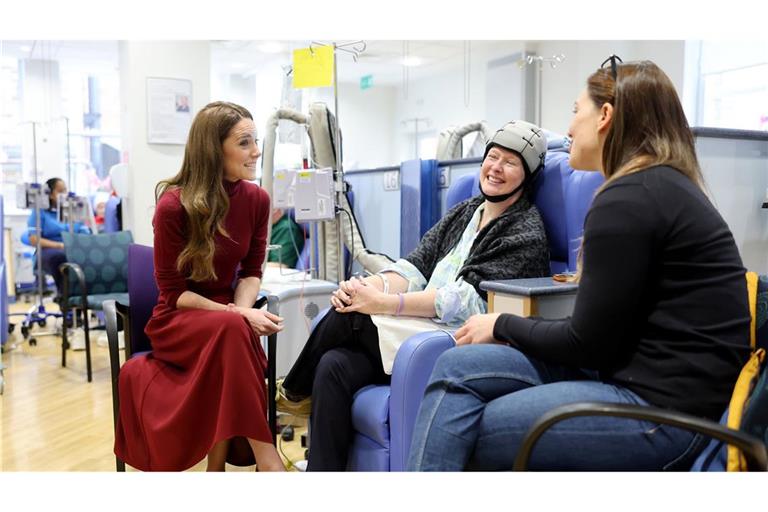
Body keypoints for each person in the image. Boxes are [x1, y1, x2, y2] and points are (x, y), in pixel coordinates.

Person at [407, 58, 752, 471]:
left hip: (665, 416)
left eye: (575, 111)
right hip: (635, 379)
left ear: (605, 116)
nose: (568, 129)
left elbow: (586, 343)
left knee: (471, 427)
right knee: (455, 365)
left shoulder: (630, 197)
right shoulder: (657, 186)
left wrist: (500, 325)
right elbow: (600, 336)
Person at [278, 120, 552, 470]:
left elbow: (466, 299)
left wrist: (383, 304)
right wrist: (370, 287)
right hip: (416, 327)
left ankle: (292, 392)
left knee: (355, 317)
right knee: (333, 366)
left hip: (456, 337)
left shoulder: (525, 229)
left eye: (511, 162)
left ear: (528, 174)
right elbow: (414, 267)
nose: (496, 168)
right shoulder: (465, 213)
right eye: (492, 157)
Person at [114, 101, 286, 471]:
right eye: (244, 142)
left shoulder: (257, 200)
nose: (256, 151)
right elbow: (174, 294)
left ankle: (217, 468)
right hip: (178, 319)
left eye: (256, 140)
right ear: (213, 148)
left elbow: (252, 270)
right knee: (234, 330)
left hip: (226, 321)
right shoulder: (174, 206)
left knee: (231, 333)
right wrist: (239, 313)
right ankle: (266, 458)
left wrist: (237, 311)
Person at [24, 177, 91, 301]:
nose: (64, 194)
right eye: (60, 191)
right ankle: (66, 299)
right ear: (49, 194)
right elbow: (34, 239)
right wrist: (60, 245)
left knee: (88, 257)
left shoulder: (73, 210)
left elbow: (85, 232)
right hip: (48, 250)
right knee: (60, 258)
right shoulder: (39, 212)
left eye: (65, 190)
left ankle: (84, 299)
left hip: (73, 247)